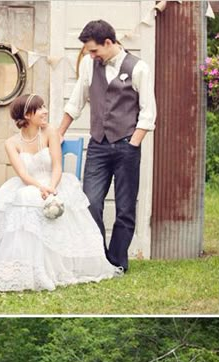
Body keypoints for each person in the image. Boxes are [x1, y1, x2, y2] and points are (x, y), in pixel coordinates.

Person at [0, 93, 121, 293]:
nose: (45, 111)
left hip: (55, 182)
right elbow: (22, 174)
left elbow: (57, 165)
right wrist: (40, 188)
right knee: (23, 197)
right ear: (27, 114)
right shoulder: (11, 143)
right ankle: (22, 266)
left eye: (45, 106)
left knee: (35, 200)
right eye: (40, 108)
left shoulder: (50, 132)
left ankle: (47, 267)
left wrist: (52, 187)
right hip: (29, 184)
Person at [58, 19, 157, 272]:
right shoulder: (90, 67)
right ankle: (100, 258)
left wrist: (133, 144)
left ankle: (117, 261)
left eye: (94, 50)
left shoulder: (139, 68)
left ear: (109, 43)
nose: (91, 55)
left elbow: (148, 112)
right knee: (90, 202)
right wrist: (58, 133)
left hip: (127, 146)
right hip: (98, 146)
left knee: (125, 208)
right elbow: (75, 103)